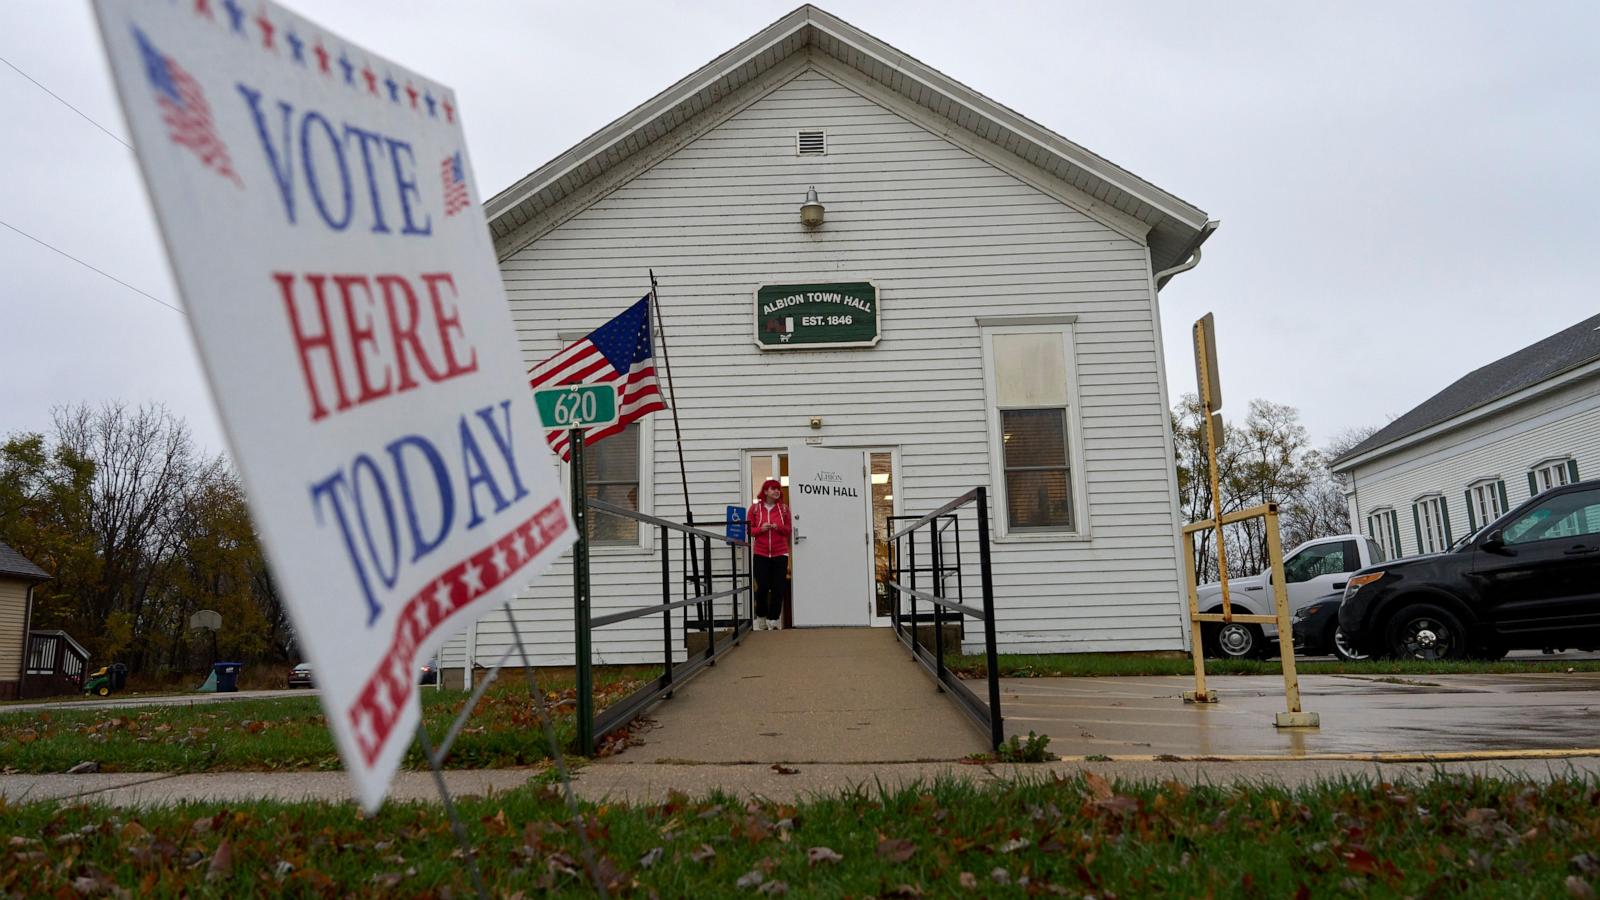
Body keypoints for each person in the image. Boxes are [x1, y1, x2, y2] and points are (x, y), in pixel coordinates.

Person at [748, 478, 791, 631]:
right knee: (762, 587)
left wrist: (778, 527)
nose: (777, 491)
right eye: (773, 488)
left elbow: (788, 530)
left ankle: (773, 620)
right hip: (761, 554)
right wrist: (761, 529)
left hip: (780, 553)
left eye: (778, 489)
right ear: (765, 491)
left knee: (778, 588)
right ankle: (761, 617)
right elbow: (749, 530)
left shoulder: (784, 509)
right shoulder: (754, 509)